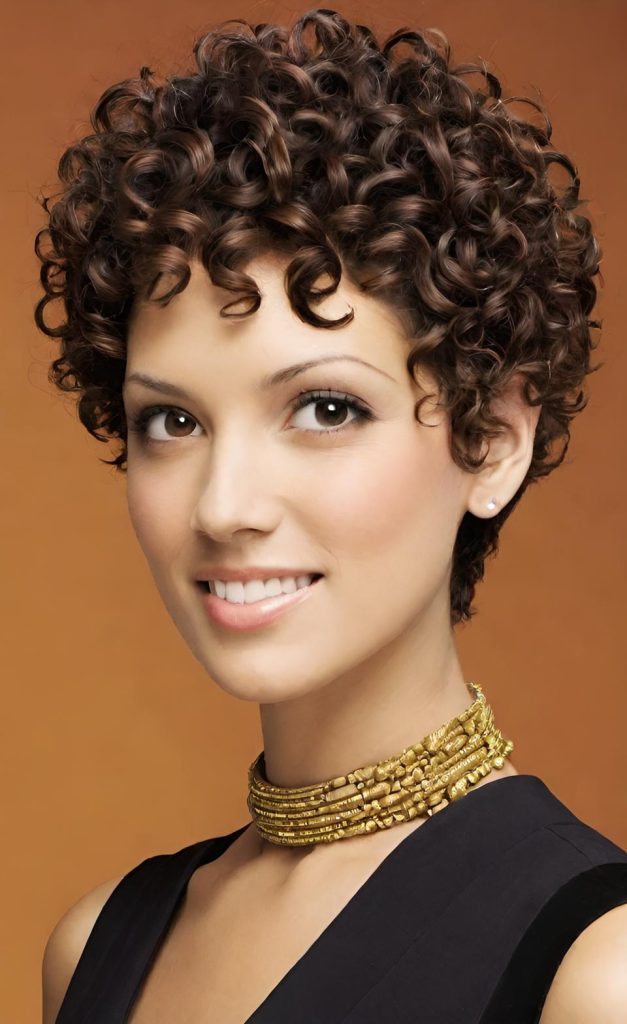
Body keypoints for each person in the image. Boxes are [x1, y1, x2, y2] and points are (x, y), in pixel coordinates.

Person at [34, 9, 627, 1024]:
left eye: (324, 409)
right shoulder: (95, 948)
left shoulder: (593, 971)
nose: (224, 505)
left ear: (491, 441)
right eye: (173, 420)